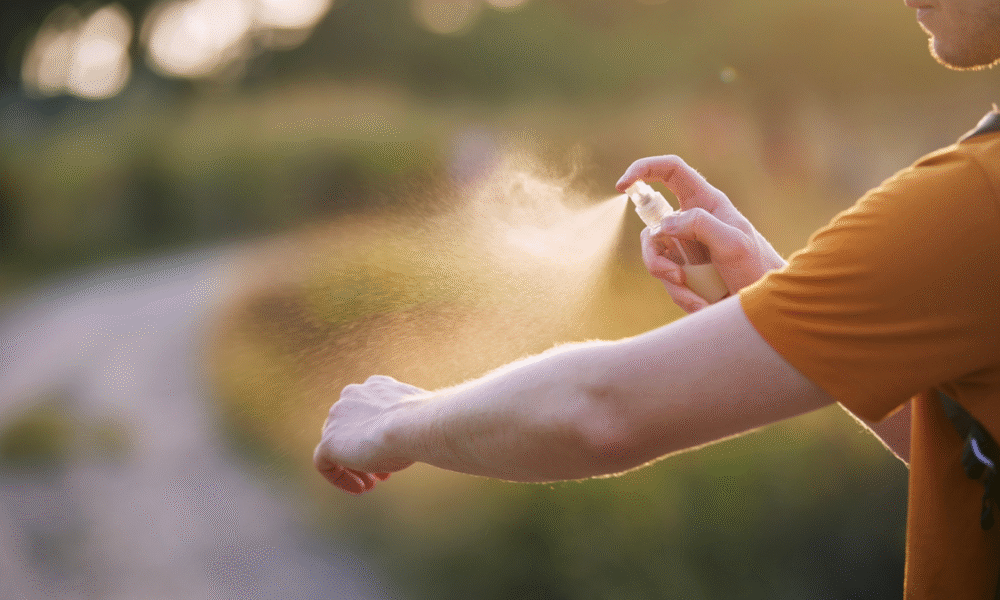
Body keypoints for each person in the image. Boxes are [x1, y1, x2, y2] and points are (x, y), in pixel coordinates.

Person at [314, 1, 1000, 597]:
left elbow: (602, 411)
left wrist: (396, 419)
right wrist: (770, 290)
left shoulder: (975, 198)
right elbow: (963, 449)